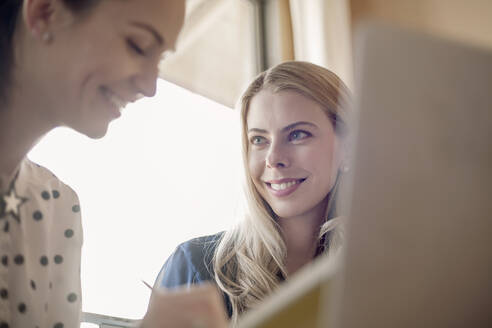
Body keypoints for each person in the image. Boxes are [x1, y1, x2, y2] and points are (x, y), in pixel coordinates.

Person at [0, 0, 227, 327]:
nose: (150, 86)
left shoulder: (56, 207)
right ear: (45, 13)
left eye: (160, 59)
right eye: (138, 46)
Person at [156, 61, 352, 324]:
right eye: (259, 140)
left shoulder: (383, 269)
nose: (273, 159)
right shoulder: (194, 269)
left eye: (297, 134)